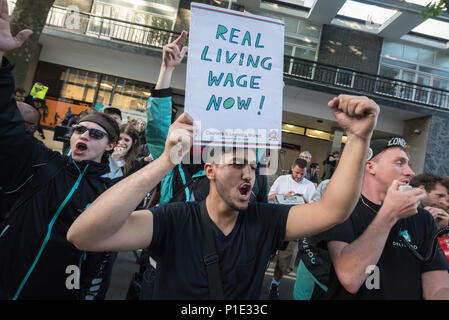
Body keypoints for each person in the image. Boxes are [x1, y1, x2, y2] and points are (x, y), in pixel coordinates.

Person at [67, 75, 381, 301]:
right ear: (210, 170)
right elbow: (85, 235)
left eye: (254, 166)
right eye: (236, 164)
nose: (248, 173)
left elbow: (334, 209)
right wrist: (166, 160)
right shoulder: (174, 218)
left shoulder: (265, 221)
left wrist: (357, 138)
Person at [0, 3, 122, 299]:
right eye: (80, 129)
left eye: (96, 134)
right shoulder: (41, 161)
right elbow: (6, 120)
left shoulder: (109, 194)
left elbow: (97, 262)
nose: (84, 136)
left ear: (110, 146)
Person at [314, 137, 449, 299]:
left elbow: (437, 284)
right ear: (370, 166)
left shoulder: (423, 218)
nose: (410, 172)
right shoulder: (343, 209)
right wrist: (389, 214)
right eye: (399, 163)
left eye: (409, 164)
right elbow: (350, 278)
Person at [268, 157, 316, 299]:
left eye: (302, 174)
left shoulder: (309, 186)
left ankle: (274, 285)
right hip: (276, 224)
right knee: (265, 255)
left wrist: (304, 200)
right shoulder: (281, 179)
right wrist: (282, 196)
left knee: (284, 262)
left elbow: (314, 207)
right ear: (291, 168)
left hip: (295, 228)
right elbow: (268, 197)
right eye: (296, 173)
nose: (299, 176)